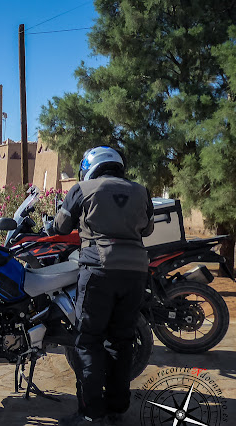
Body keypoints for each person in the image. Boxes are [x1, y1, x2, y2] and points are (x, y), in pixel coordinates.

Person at [49, 147, 154, 426]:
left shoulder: (82, 188)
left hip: (98, 270)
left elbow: (60, 226)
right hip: (135, 272)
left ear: (90, 166)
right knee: (122, 341)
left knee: (89, 342)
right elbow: (148, 230)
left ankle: (90, 414)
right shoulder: (142, 191)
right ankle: (117, 409)